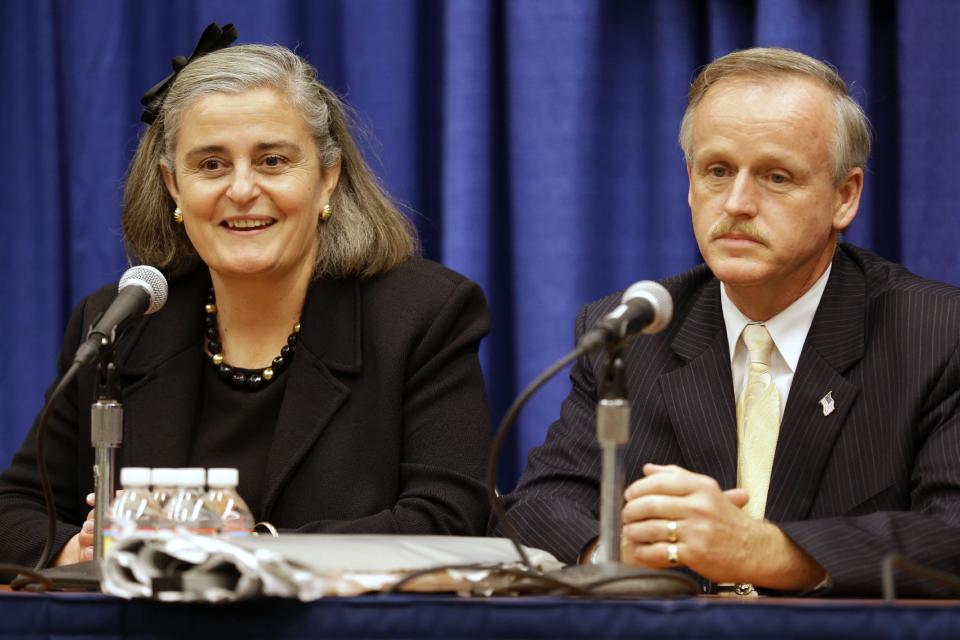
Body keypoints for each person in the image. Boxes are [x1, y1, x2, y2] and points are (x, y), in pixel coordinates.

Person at [0, 25, 492, 568]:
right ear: (172, 187)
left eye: (273, 161)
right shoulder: (120, 322)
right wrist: (81, 548)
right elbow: (14, 510)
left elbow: (449, 521)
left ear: (328, 178)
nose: (240, 190)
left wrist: (249, 551)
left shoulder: (421, 315)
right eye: (210, 165)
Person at [497, 47, 960, 597]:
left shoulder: (936, 334)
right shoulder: (631, 331)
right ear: (689, 182)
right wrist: (614, 554)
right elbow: (537, 507)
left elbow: (949, 533)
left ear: (845, 196)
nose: (737, 202)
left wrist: (765, 551)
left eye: (776, 176)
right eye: (717, 171)